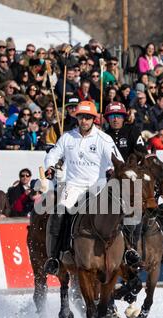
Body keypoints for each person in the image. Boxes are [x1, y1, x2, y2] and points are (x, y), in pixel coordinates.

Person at [43, 101, 124, 275]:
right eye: (81, 117)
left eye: (88, 117)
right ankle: (55, 258)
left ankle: (128, 252)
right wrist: (50, 166)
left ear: (94, 119)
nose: (84, 121)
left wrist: (112, 169)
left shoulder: (103, 139)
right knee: (59, 212)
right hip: (73, 185)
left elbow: (118, 161)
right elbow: (53, 154)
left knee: (121, 210)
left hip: (98, 185)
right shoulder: (67, 137)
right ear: (77, 118)